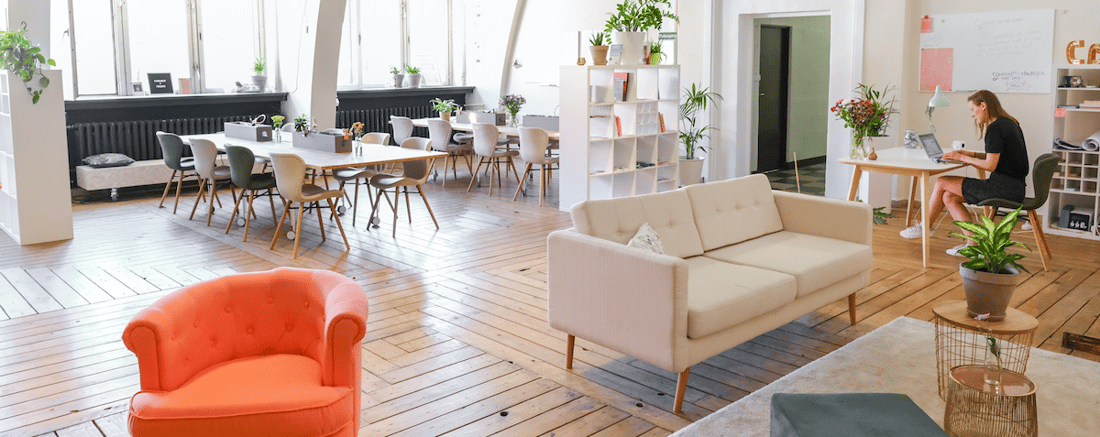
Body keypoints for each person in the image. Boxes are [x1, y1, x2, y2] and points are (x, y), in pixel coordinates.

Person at [899, 90, 1029, 256]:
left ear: (983, 106)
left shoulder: (995, 128)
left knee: (941, 182)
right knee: (948, 197)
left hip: (1002, 188)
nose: (973, 115)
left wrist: (962, 157)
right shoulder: (1009, 123)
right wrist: (971, 155)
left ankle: (925, 227)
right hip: (1014, 187)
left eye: (972, 110)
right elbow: (998, 158)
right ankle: (973, 244)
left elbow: (990, 165)